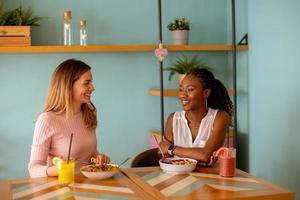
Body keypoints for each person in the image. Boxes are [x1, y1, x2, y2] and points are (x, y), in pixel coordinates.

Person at [28, 59, 110, 178]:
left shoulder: (89, 112)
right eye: (86, 83)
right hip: (60, 188)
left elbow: (88, 154)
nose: (92, 88)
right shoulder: (47, 120)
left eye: (91, 82)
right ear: (68, 86)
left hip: (87, 185)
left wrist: (97, 157)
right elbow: (33, 169)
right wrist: (58, 169)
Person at [159, 68, 233, 165]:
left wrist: (171, 148)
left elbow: (205, 155)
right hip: (177, 176)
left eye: (190, 90)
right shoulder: (173, 119)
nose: (183, 95)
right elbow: (164, 154)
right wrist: (166, 152)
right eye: (181, 89)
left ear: (205, 93)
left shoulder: (220, 117)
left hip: (209, 177)